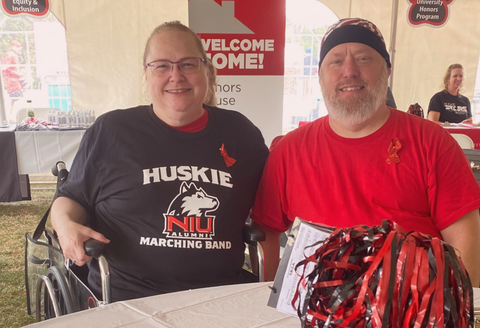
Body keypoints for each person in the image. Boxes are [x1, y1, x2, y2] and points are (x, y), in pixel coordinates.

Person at [251, 18, 480, 286]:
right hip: (314, 310)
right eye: (335, 61)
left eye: (363, 58)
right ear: (321, 74)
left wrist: (456, 309)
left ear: (387, 70)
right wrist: (269, 297)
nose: (349, 71)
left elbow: (466, 239)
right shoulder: (288, 151)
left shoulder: (432, 142)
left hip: (410, 312)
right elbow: (266, 232)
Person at [51, 21, 269, 302]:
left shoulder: (241, 133)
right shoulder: (112, 130)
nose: (176, 76)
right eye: (162, 66)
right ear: (146, 74)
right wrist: (65, 225)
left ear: (206, 70)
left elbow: (273, 201)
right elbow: (70, 197)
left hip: (220, 295)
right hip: (128, 298)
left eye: (188, 64)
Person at [1, 40, 25, 114]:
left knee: (16, 99)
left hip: (16, 80)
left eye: (20, 46)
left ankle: (11, 115)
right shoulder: (9, 55)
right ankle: (10, 115)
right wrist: (18, 73)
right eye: (18, 47)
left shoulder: (13, 55)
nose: (19, 48)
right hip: (12, 81)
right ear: (13, 47)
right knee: (14, 99)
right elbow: (4, 69)